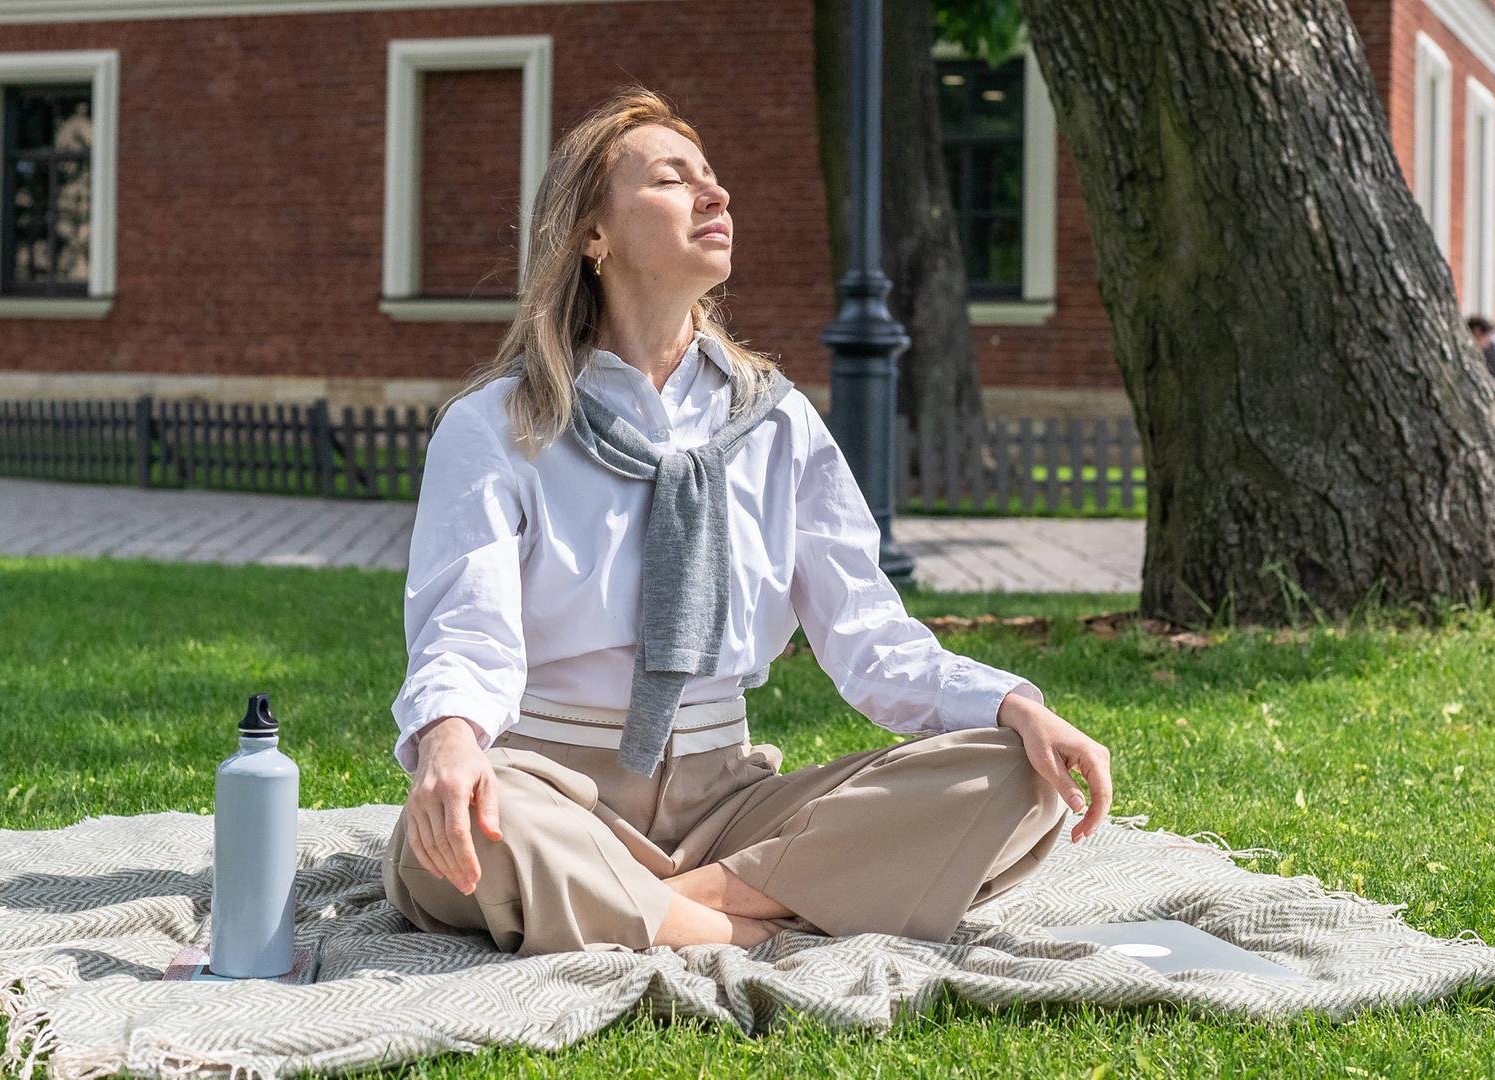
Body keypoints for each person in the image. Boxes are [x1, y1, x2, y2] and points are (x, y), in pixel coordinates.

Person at [380, 88, 1114, 958]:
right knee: (468, 832)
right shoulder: (499, 427)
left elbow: (869, 638)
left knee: (1016, 778)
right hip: (555, 788)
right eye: (670, 179)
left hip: (729, 803)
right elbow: (466, 630)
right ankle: (748, 920)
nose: (715, 195)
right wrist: (453, 740)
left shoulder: (776, 425)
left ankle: (657, 912)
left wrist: (1008, 704)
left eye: (713, 178)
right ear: (592, 236)